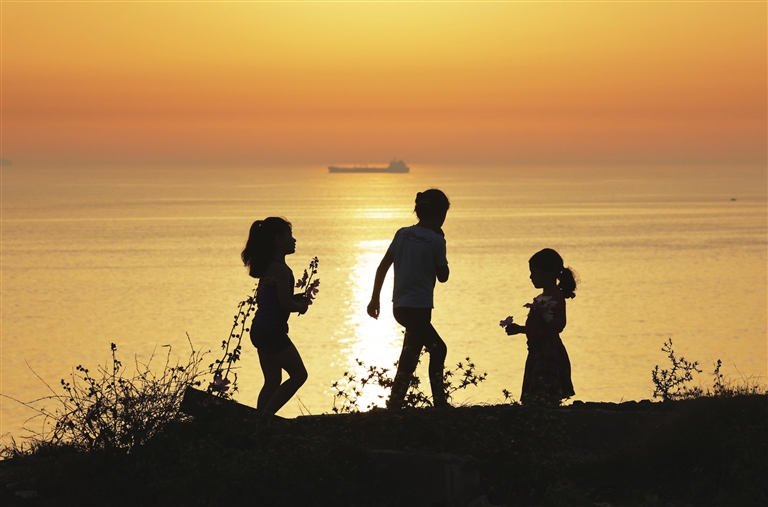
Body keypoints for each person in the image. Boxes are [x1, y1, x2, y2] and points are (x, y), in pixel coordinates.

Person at [367, 189, 451, 409]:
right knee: (438, 349)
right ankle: (439, 403)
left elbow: (382, 267)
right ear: (440, 214)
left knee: (411, 354)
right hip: (420, 308)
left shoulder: (402, 234)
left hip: (400, 307)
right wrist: (442, 244)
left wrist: (375, 299)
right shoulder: (436, 240)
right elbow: (443, 276)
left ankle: (396, 402)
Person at [241, 217, 309, 415]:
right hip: (271, 331)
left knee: (272, 381)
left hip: (259, 329)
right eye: (290, 235)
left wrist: (294, 299)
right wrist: (301, 306)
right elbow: (285, 304)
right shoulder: (280, 269)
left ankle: (257, 423)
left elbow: (274, 300)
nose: (294, 240)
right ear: (279, 240)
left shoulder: (270, 267)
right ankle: (265, 419)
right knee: (299, 375)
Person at [504, 248, 577, 405]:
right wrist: (520, 329)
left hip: (547, 350)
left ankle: (545, 416)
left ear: (547, 275)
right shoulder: (542, 298)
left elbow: (560, 325)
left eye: (534, 273)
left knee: (544, 393)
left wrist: (544, 316)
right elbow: (540, 327)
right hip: (537, 351)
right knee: (535, 394)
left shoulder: (555, 296)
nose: (531, 277)